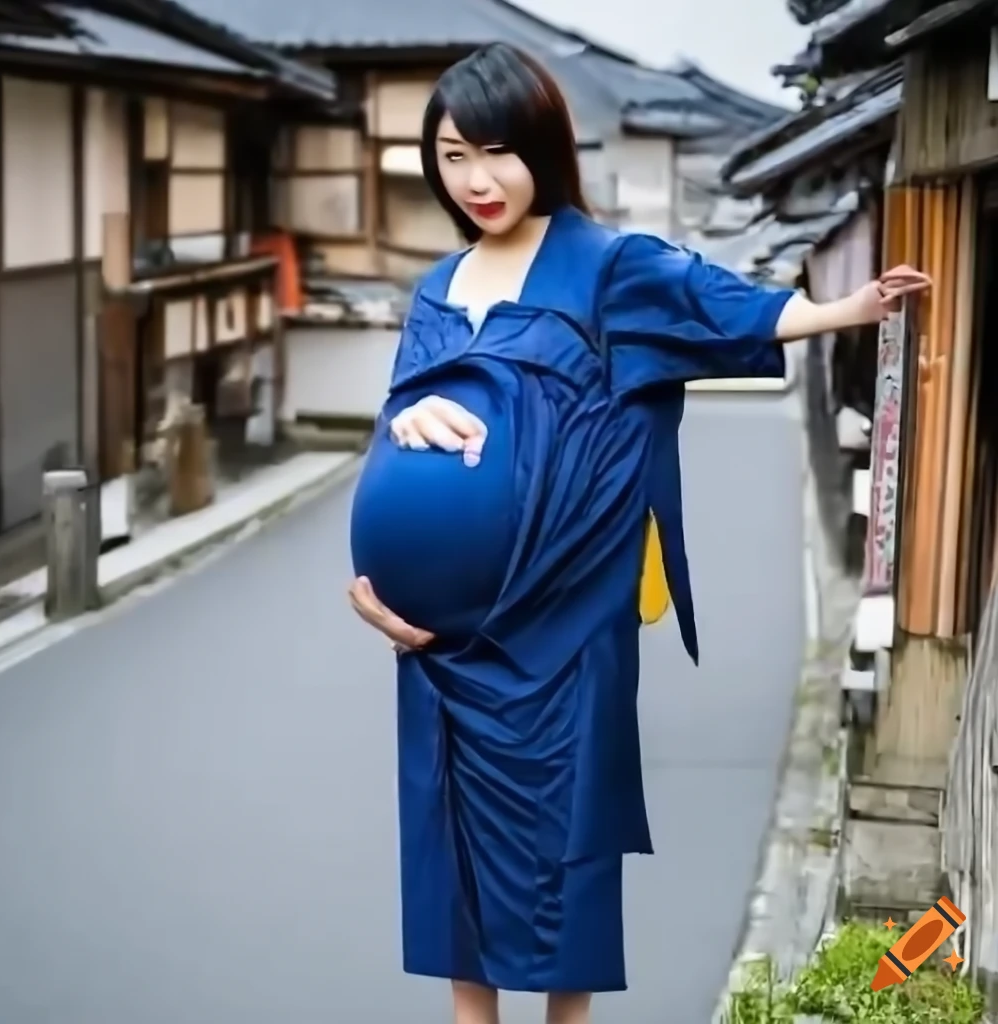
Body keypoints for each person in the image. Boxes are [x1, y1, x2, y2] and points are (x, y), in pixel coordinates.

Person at [347, 42, 930, 1024]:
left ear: (540, 148)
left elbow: (724, 306)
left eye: (495, 151)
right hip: (440, 652)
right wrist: (374, 582)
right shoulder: (435, 290)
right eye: (451, 156)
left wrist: (849, 307)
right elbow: (392, 443)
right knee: (458, 911)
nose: (476, 179)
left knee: (565, 894)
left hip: (563, 639)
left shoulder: (604, 268)